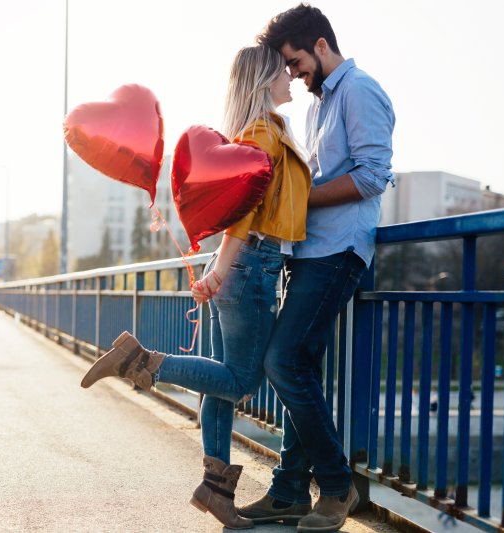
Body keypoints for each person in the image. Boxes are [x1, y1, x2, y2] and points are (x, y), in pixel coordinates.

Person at [80, 44, 311, 529]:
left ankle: (216, 490)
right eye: (282, 72)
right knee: (242, 380)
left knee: (222, 383)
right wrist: (224, 269)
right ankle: (140, 361)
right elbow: (244, 218)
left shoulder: (257, 133)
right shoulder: (263, 136)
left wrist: (219, 270)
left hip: (243, 267)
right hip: (252, 266)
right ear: (264, 81)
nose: (290, 77)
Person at [236, 5, 395, 532]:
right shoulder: (317, 106)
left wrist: (295, 202)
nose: (296, 76)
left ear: (321, 46)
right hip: (309, 253)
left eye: (298, 63)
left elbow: (372, 177)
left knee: (282, 362)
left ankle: (335, 485)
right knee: (299, 367)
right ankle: (287, 492)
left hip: (339, 252)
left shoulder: (360, 90)